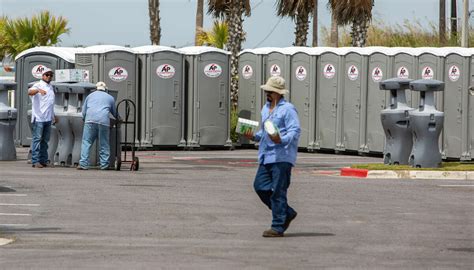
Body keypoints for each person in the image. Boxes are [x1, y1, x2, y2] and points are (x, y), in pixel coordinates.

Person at [244, 76, 301, 237]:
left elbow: (295, 130)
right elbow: (265, 131)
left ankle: (277, 226)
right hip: (265, 155)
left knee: (278, 191)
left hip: (282, 157)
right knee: (260, 186)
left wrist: (281, 139)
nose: (267, 94)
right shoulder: (265, 108)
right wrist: (253, 136)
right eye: (266, 91)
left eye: (270, 91)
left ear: (278, 93)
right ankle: (286, 212)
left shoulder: (288, 109)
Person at [77, 81, 118, 170]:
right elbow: (114, 113)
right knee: (104, 144)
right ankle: (104, 165)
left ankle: (83, 164)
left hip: (90, 121)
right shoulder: (110, 98)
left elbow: (83, 111)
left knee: (86, 143)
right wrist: (119, 119)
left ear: (96, 88)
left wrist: (85, 119)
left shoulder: (89, 96)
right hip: (104, 122)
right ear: (105, 89)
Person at [28, 67, 56, 168]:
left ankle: (43, 160)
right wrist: (39, 90)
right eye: (47, 75)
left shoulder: (50, 87)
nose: (49, 77)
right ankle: (35, 160)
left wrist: (53, 116)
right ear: (43, 76)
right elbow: (30, 92)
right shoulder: (38, 85)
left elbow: (50, 104)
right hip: (39, 118)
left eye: (50, 75)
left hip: (47, 118)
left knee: (45, 140)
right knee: (37, 139)